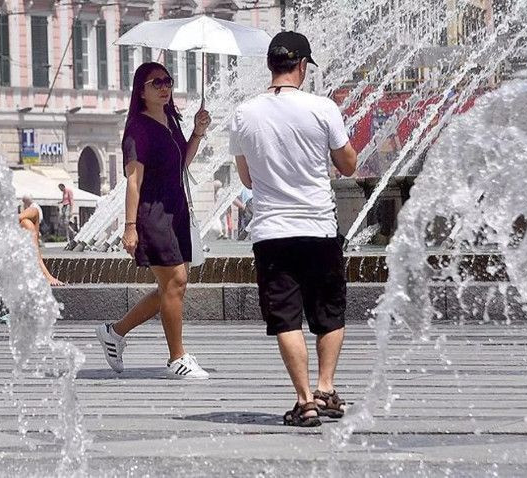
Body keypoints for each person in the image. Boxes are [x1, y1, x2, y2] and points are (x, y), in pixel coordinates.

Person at [228, 32, 358, 427]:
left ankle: (304, 402)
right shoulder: (323, 108)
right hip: (318, 228)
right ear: (302, 66)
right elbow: (349, 165)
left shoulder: (244, 113)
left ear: (271, 66)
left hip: (271, 233)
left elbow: (247, 179)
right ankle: (326, 387)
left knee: (286, 319)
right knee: (329, 313)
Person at [95, 62, 212, 380]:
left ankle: (114, 332)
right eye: (156, 82)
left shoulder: (171, 119)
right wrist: (130, 226)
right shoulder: (138, 128)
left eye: (168, 81)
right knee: (175, 283)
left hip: (176, 210)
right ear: (141, 90)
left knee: (171, 288)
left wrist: (197, 133)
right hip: (152, 214)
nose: (164, 86)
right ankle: (177, 357)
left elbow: (181, 163)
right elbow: (133, 181)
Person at [19, 195, 63, 286]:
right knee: (27, 223)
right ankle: (42, 269)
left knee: (30, 218)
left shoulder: (33, 206)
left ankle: (41, 269)